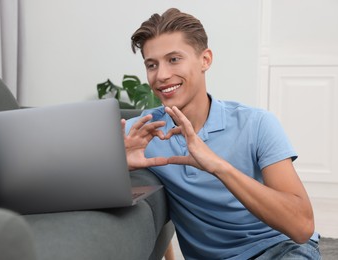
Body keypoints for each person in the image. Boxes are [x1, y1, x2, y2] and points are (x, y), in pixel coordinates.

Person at [121, 8, 320, 259]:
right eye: (152, 64)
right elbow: (65, 180)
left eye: (174, 59)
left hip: (278, 249)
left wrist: (218, 166)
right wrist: (117, 164)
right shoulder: (141, 133)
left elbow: (301, 227)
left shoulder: (256, 123)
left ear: (205, 60)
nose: (161, 75)